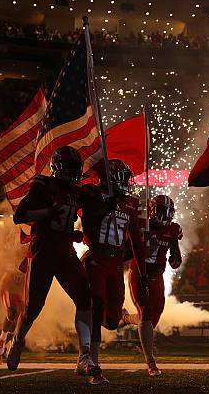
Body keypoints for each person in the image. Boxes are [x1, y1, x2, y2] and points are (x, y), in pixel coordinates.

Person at [7, 146, 95, 378]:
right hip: (43, 251)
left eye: (75, 168)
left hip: (65, 252)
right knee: (32, 308)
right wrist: (48, 211)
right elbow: (20, 216)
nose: (73, 173)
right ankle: (17, 341)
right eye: (69, 168)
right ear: (56, 167)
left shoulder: (77, 191)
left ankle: (84, 354)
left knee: (85, 298)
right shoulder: (43, 185)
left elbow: (98, 203)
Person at [80, 159, 147, 385]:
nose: (127, 183)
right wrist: (102, 206)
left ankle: (123, 318)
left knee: (110, 322)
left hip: (116, 263)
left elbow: (136, 241)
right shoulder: (93, 194)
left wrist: (144, 273)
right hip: (96, 258)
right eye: (123, 178)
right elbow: (85, 220)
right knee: (96, 306)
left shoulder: (130, 203)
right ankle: (93, 365)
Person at [121, 194, 183, 376]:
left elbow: (175, 258)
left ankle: (125, 318)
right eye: (162, 211)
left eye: (168, 212)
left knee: (153, 315)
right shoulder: (140, 225)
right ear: (153, 210)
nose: (165, 216)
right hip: (140, 274)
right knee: (146, 314)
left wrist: (174, 260)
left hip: (157, 276)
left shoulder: (172, 230)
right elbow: (123, 253)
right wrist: (140, 246)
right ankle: (151, 361)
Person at [0, 258, 27, 365]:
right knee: (12, 312)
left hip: (19, 291)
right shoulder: (13, 256)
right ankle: (1, 346)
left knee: (19, 317)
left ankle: (6, 345)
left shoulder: (29, 257)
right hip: (8, 289)